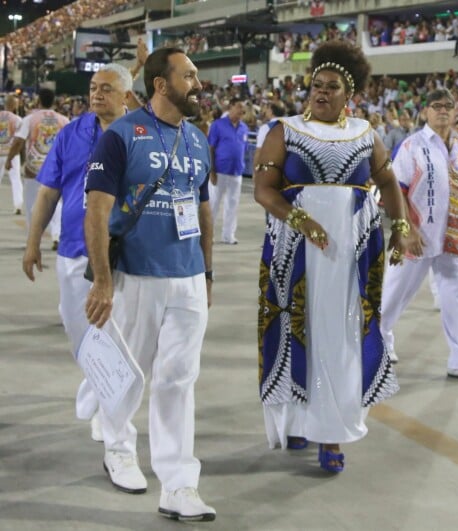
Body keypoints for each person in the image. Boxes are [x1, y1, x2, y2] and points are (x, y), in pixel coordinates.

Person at [254, 40, 412, 473]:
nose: (321, 92)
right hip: (297, 252)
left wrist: (400, 227)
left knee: (343, 337)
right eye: (316, 85)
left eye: (332, 86)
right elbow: (263, 191)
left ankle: (333, 433)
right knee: (298, 332)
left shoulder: (365, 132)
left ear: (350, 94)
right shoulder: (283, 130)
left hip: (353, 256)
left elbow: (389, 182)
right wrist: (300, 219)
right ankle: (302, 419)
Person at [83, 47, 216, 521]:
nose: (197, 84)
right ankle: (118, 447)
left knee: (179, 379)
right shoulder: (121, 136)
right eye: (190, 75)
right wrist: (101, 280)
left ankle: (178, 483)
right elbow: (96, 210)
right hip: (135, 275)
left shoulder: (199, 140)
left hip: (187, 279)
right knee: (130, 372)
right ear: (162, 84)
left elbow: (203, 211)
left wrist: (207, 271)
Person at [21, 64, 139, 442]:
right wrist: (32, 240)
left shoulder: (139, 135)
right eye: (93, 87)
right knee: (81, 334)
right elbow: (47, 192)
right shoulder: (72, 133)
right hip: (74, 249)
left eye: (106, 88)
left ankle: (112, 417)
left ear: (126, 96)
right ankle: (96, 388)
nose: (97, 94)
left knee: (116, 339)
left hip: (127, 254)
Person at [380, 88, 458, 383]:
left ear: (454, 113)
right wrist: (407, 229)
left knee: (455, 295)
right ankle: (379, 339)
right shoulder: (412, 145)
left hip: (452, 237)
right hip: (418, 235)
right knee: (395, 293)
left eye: (448, 106)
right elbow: (394, 189)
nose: (442, 110)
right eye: (436, 106)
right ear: (426, 112)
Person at [5, 88, 68, 249]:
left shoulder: (30, 119)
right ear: (54, 102)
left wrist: (10, 158)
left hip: (33, 170)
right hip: (55, 169)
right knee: (55, 203)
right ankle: (56, 235)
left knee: (32, 204)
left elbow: (18, 141)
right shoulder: (63, 120)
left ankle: (32, 239)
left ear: (38, 101)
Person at [208, 97, 249, 244]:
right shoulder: (218, 125)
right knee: (213, 204)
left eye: (243, 108)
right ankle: (208, 235)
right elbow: (210, 148)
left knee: (232, 204)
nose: (242, 111)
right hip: (219, 171)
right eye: (239, 107)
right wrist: (211, 170)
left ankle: (228, 235)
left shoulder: (244, 128)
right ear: (230, 107)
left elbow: (243, 149)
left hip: (236, 172)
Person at [0, 94, 23, 214]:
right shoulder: (17, 119)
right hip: (12, 154)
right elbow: (20, 139)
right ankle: (18, 205)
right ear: (14, 105)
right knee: (16, 179)